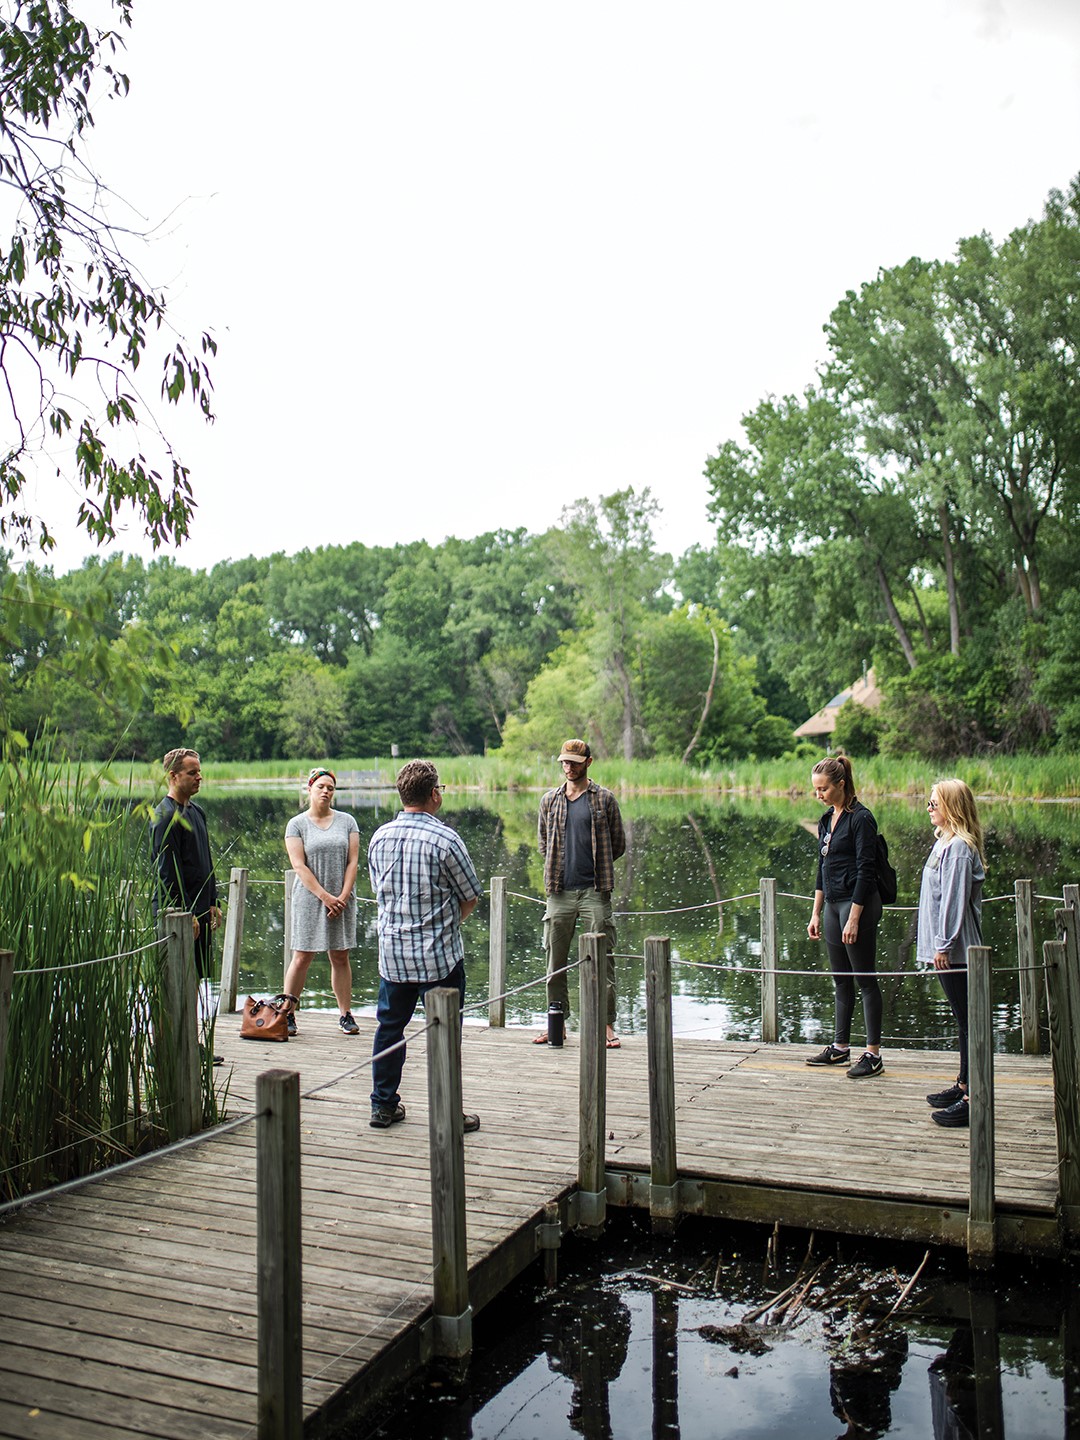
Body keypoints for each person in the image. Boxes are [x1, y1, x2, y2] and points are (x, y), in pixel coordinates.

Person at [367, 759, 484, 1131]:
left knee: (389, 1029)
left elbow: (379, 892)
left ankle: (383, 1106)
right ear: (434, 794)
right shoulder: (446, 839)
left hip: (393, 956)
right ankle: (448, 1110)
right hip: (438, 958)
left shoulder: (379, 837)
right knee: (445, 1033)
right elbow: (470, 897)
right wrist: (446, 924)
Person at [534, 738, 626, 1048]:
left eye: (574, 761)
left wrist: (595, 865)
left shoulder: (605, 800)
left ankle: (605, 1026)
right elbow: (544, 844)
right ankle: (556, 1025)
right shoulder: (550, 800)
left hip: (594, 892)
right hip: (559, 892)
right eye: (564, 761)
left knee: (602, 959)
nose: (568, 766)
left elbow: (618, 844)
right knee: (554, 962)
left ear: (588, 762)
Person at [805, 754, 885, 1078]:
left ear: (840, 784)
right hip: (833, 905)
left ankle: (873, 1054)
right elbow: (822, 869)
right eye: (815, 790)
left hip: (858, 906)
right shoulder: (826, 820)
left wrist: (854, 917)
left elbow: (867, 871)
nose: (818, 795)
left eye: (823, 789)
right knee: (840, 980)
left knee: (865, 979)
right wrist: (815, 913)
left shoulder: (861, 819)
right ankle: (840, 1048)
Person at [918, 779, 986, 1129]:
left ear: (951, 807)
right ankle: (963, 1084)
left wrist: (943, 944)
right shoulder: (945, 842)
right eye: (928, 804)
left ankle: (974, 1098)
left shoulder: (958, 848)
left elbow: (953, 900)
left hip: (957, 950)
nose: (929, 809)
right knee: (963, 1019)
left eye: (934, 804)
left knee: (968, 1020)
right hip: (946, 949)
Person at [150, 747, 223, 1061]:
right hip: (177, 916)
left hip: (199, 912)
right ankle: (164, 1049)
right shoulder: (164, 816)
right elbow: (165, 872)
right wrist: (184, 914)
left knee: (192, 980)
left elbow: (205, 862)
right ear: (173, 775)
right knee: (173, 982)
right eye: (192, 772)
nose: (199, 777)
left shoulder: (197, 812)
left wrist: (213, 902)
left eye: (199, 771)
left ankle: (189, 1045)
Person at [281, 767, 361, 1037]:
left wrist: (342, 896)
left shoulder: (347, 821)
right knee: (302, 955)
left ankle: (345, 1014)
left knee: (340, 954)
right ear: (310, 790)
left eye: (330, 788)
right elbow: (298, 865)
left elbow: (353, 862)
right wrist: (324, 896)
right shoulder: (297, 824)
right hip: (310, 898)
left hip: (342, 898)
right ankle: (287, 1013)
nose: (326, 791)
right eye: (321, 787)